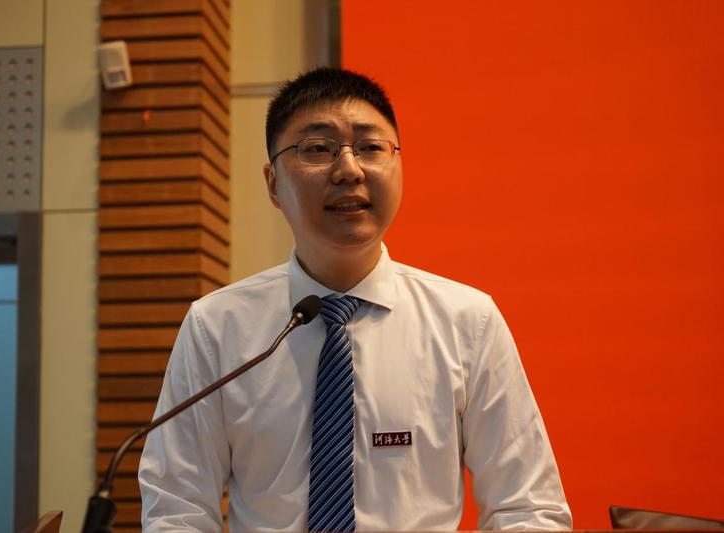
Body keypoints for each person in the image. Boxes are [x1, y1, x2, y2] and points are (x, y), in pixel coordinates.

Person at [139, 67, 572, 532]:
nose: (349, 169)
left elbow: (527, 508)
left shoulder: (468, 321)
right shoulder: (216, 327)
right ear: (273, 183)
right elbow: (177, 509)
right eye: (317, 149)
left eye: (369, 147)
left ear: (399, 166)